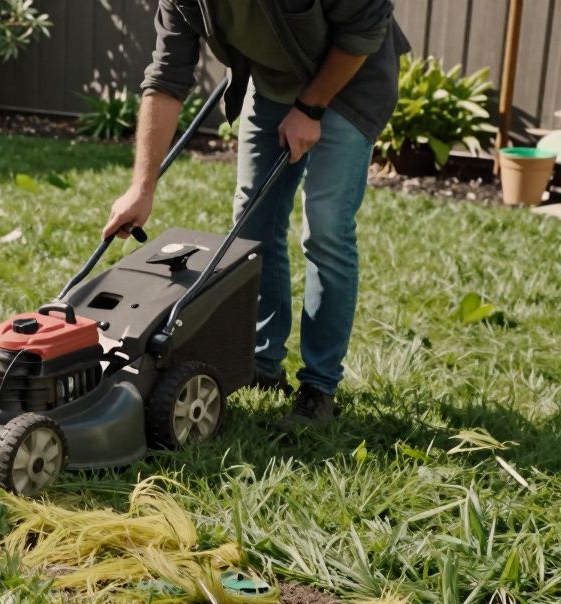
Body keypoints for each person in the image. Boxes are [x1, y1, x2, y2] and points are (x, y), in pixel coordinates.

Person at [102, 0, 410, 430]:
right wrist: (142, 187)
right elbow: (167, 76)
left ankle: (319, 387)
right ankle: (262, 363)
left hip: (350, 83)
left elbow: (366, 23)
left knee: (326, 228)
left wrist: (311, 107)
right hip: (272, 84)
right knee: (252, 224)